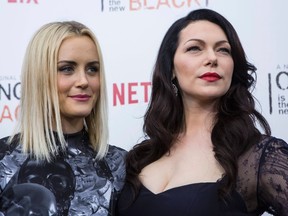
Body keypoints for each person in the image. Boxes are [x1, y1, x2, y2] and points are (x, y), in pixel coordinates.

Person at [116, 8, 288, 216]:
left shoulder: (259, 156)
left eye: (223, 50)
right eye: (195, 48)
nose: (212, 58)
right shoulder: (140, 157)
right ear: (171, 68)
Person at [0, 21, 126, 216]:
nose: (84, 81)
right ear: (39, 76)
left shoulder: (118, 165)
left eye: (92, 69)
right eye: (67, 68)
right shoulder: (3, 158)